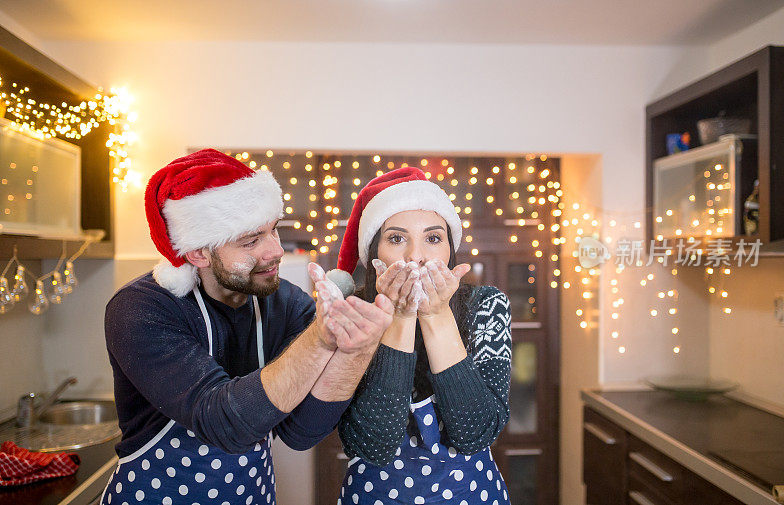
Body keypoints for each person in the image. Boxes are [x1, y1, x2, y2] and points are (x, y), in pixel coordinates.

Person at [101, 149, 393, 505]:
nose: (276, 251)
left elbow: (302, 432)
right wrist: (318, 340)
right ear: (198, 253)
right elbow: (225, 422)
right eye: (251, 241)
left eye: (274, 230)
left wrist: (353, 351)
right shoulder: (141, 309)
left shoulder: (284, 302)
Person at [334, 167, 512, 505]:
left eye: (433, 238)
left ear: (449, 250)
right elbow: (374, 443)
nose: (416, 256)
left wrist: (434, 314)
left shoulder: (487, 306)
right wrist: (401, 315)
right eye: (397, 238)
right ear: (374, 252)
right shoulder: (351, 310)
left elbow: (476, 433)